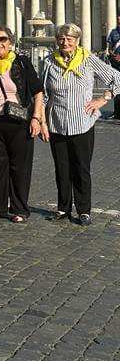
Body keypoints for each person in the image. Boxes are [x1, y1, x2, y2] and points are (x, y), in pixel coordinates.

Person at [39, 23, 120, 226]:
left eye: (70, 39)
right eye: (61, 38)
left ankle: (84, 210)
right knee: (61, 168)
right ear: (57, 40)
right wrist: (42, 121)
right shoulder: (49, 61)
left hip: (82, 122)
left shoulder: (88, 59)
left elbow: (117, 77)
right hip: (57, 122)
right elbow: (43, 94)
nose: (65, 42)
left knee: (81, 168)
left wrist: (102, 99)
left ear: (77, 41)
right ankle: (63, 208)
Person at [0, 26, 44, 223]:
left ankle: (19, 208)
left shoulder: (22, 63)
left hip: (19, 122)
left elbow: (37, 91)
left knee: (19, 168)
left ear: (10, 42)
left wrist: (36, 118)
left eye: (2, 39)